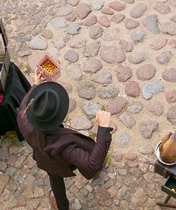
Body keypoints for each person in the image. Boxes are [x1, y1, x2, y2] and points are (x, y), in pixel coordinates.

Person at [17, 73, 113, 210]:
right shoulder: (63, 145)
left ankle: (62, 207)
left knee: (55, 179)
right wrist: (103, 129)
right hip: (62, 161)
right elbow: (92, 165)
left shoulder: (22, 115)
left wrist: (36, 85)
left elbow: (27, 101)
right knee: (89, 154)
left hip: (43, 158)